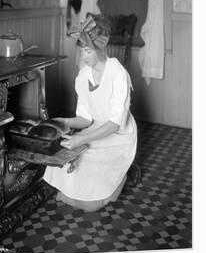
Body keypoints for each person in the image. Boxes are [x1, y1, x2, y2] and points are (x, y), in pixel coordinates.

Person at [43, 15, 137, 212]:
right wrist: (61, 122)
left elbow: (114, 124)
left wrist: (80, 140)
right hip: (95, 129)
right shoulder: (83, 76)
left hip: (118, 135)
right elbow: (85, 119)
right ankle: (87, 188)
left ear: (101, 48)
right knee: (68, 164)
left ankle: (121, 177)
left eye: (87, 51)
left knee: (90, 206)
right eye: (81, 52)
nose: (83, 57)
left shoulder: (118, 74)